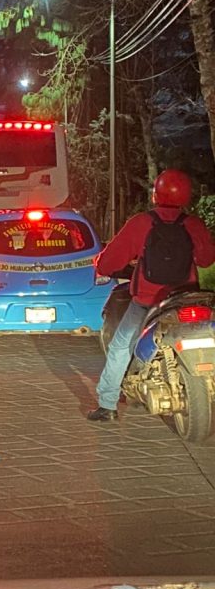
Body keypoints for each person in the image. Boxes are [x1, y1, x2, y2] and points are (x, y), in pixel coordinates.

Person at [88, 169, 215, 422]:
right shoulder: (193, 224)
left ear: (156, 194)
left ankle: (107, 404)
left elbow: (107, 265)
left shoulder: (142, 223)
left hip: (148, 302)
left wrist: (101, 262)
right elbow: (207, 259)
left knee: (121, 346)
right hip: (184, 298)